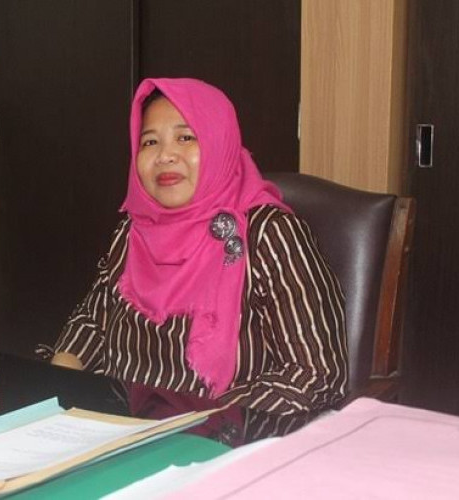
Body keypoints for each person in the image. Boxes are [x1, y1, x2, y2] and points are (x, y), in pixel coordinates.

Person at [49, 78, 348, 418]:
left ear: (219, 142)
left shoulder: (269, 233)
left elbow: (315, 374)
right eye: (150, 142)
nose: (165, 156)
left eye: (185, 137)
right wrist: (57, 386)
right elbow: (93, 321)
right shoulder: (133, 230)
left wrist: (205, 419)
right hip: (120, 428)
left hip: (225, 433)